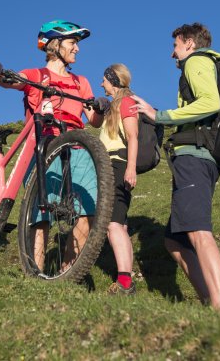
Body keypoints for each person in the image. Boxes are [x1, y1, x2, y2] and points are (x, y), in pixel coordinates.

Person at [0, 20, 109, 271]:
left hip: (77, 146)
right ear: (55, 44)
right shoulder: (36, 75)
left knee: (90, 212)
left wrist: (101, 107)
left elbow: (93, 120)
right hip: (45, 145)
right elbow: (10, 81)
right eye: (73, 43)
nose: (77, 49)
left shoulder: (81, 82)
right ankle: (36, 272)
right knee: (42, 214)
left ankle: (67, 272)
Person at [131, 23, 220, 312]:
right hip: (195, 156)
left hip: (195, 157)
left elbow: (210, 102)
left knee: (198, 232)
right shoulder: (206, 64)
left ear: (188, 42)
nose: (173, 53)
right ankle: (210, 303)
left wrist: (159, 115)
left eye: (175, 45)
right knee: (175, 241)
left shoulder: (197, 61)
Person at [99, 64, 138, 295]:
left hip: (118, 164)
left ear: (112, 80)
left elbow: (133, 136)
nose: (101, 83)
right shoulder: (113, 106)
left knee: (113, 225)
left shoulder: (126, 102)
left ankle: (124, 282)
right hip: (112, 165)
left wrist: (130, 168)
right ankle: (125, 279)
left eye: (104, 79)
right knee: (120, 225)